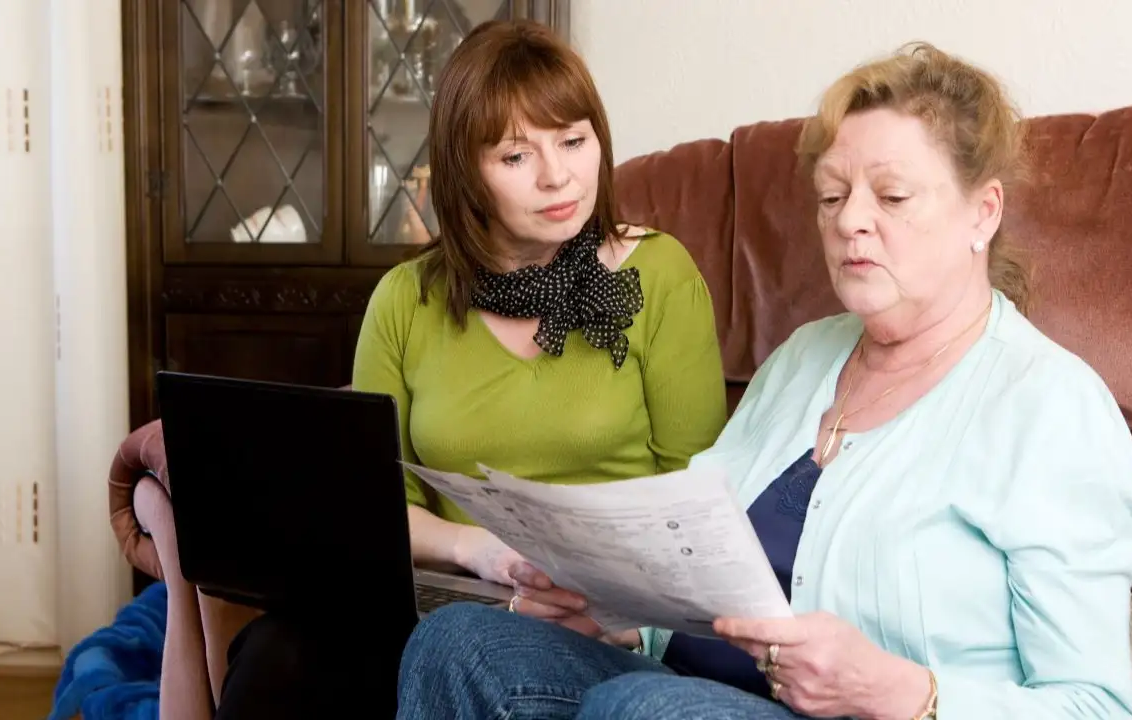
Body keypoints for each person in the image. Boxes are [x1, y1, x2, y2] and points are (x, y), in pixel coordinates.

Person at [397, 41, 1132, 720]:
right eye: (831, 195)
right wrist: (620, 616)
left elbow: (1097, 707)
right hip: (682, 689)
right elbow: (696, 565)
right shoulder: (803, 358)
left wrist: (910, 694)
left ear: (983, 211)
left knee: (647, 709)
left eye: (890, 196)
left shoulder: (1050, 407)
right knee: (460, 641)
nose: (851, 220)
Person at [167, 18, 730, 719]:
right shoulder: (406, 299)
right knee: (278, 653)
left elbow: (704, 504)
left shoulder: (658, 275)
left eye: (574, 141)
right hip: (446, 600)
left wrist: (629, 614)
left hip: (601, 622)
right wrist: (478, 550)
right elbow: (367, 510)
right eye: (516, 156)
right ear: (465, 170)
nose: (559, 176)